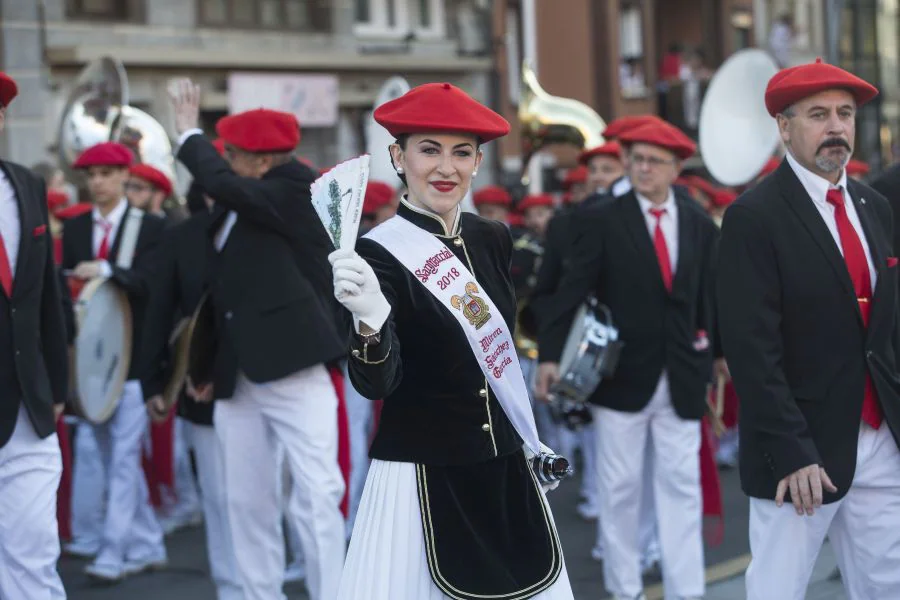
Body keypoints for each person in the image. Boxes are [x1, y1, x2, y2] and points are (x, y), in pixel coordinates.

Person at [331, 82, 574, 600]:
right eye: (428, 150)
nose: (446, 168)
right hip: (422, 474)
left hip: (505, 468)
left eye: (461, 152)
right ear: (397, 156)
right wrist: (369, 321)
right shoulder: (376, 255)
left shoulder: (492, 237)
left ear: (478, 161)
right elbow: (376, 385)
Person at [717, 58, 900, 600]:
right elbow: (752, 348)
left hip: (879, 437)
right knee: (779, 587)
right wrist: (790, 449)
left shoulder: (874, 205)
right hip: (800, 449)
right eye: (819, 114)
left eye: (845, 113)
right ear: (784, 126)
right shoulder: (754, 216)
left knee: (887, 584)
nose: (837, 127)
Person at [169, 80, 346, 600]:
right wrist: (204, 368)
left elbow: (227, 185)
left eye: (232, 155)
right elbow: (219, 297)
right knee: (245, 500)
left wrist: (189, 138)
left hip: (295, 366)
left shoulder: (297, 186)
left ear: (263, 161)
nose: (224, 163)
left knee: (316, 496)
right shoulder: (237, 202)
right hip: (236, 376)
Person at [536, 119, 720, 600]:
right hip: (619, 380)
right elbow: (570, 290)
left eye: (653, 161)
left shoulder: (699, 223)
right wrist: (550, 358)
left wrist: (718, 356)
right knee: (619, 492)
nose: (642, 169)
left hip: (682, 378)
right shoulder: (602, 218)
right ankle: (626, 590)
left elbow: (710, 297)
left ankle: (688, 591)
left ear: (677, 168)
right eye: (635, 159)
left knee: (682, 490)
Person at [62, 141, 168, 582]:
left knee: (123, 458)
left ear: (125, 175)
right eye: (92, 174)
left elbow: (154, 288)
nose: (98, 181)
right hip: (91, 363)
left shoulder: (150, 226)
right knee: (109, 458)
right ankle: (148, 543)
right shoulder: (75, 226)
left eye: (107, 173)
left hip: (135, 362)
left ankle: (113, 551)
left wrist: (108, 271)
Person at [140, 181, 244, 600]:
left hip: (265, 383)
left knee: (267, 496)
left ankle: (264, 585)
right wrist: (155, 381)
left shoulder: (273, 225)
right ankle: (231, 588)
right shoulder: (183, 235)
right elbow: (159, 309)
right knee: (219, 496)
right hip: (200, 385)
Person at [0, 70, 69, 600]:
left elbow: (45, 293)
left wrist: (59, 388)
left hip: (30, 405)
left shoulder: (26, 184)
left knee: (35, 552)